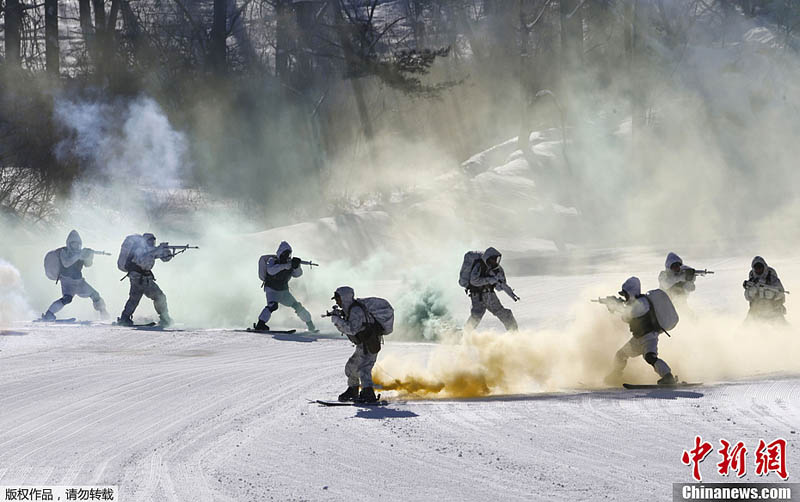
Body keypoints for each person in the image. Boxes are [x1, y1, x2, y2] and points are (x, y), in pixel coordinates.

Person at [603, 277, 677, 385]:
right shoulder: (635, 303)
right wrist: (616, 306)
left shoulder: (642, 303)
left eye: (626, 294)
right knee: (621, 355)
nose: (625, 297)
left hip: (649, 338)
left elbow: (627, 316)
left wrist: (617, 306)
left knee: (650, 357)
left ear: (631, 292)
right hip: (638, 338)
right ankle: (616, 375)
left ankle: (668, 376)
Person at [328, 286, 387, 403]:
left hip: (370, 343)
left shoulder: (356, 311)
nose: (337, 302)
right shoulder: (350, 309)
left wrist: (338, 321)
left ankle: (368, 393)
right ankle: (353, 390)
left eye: (338, 299)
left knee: (364, 369)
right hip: (363, 344)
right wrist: (339, 316)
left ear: (344, 298)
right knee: (351, 367)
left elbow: (352, 329)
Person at [41, 230, 108, 320]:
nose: (76, 246)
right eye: (73, 243)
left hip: (79, 281)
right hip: (67, 281)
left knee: (95, 295)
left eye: (77, 244)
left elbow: (88, 265)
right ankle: (49, 314)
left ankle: (103, 313)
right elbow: (66, 263)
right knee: (67, 299)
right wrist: (79, 256)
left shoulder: (80, 252)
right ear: (69, 243)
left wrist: (89, 256)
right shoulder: (64, 252)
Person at [254, 241, 316, 332]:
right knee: (273, 305)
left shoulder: (290, 263)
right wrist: (285, 266)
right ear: (280, 253)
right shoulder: (272, 261)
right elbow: (271, 271)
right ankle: (260, 324)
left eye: (288, 254)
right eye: (284, 254)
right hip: (272, 290)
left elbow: (298, 274)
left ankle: (310, 325)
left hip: (284, 291)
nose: (286, 256)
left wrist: (296, 266)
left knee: (297, 306)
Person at [117, 233, 173, 327]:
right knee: (134, 299)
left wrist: (166, 252)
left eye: (153, 241)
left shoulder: (150, 250)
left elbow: (165, 259)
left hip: (146, 278)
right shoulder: (140, 249)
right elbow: (141, 260)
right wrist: (156, 250)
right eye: (150, 240)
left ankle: (165, 318)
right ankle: (124, 319)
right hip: (137, 277)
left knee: (159, 296)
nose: (152, 243)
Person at [464, 247, 518, 332]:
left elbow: (500, 286)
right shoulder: (480, 266)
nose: (495, 261)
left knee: (476, 316)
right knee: (503, 314)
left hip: (487, 294)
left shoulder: (496, 269)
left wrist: (511, 293)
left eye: (496, 259)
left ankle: (464, 335)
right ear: (488, 258)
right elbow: (474, 281)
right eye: (493, 259)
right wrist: (491, 280)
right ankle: (514, 334)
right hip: (480, 295)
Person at [743, 256, 786, 323]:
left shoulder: (772, 278)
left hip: (773, 309)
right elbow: (747, 297)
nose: (758, 269)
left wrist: (772, 295)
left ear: (764, 267)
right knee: (744, 328)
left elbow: (782, 294)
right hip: (756, 310)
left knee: (785, 328)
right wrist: (751, 291)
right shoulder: (752, 279)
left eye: (760, 267)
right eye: (756, 268)